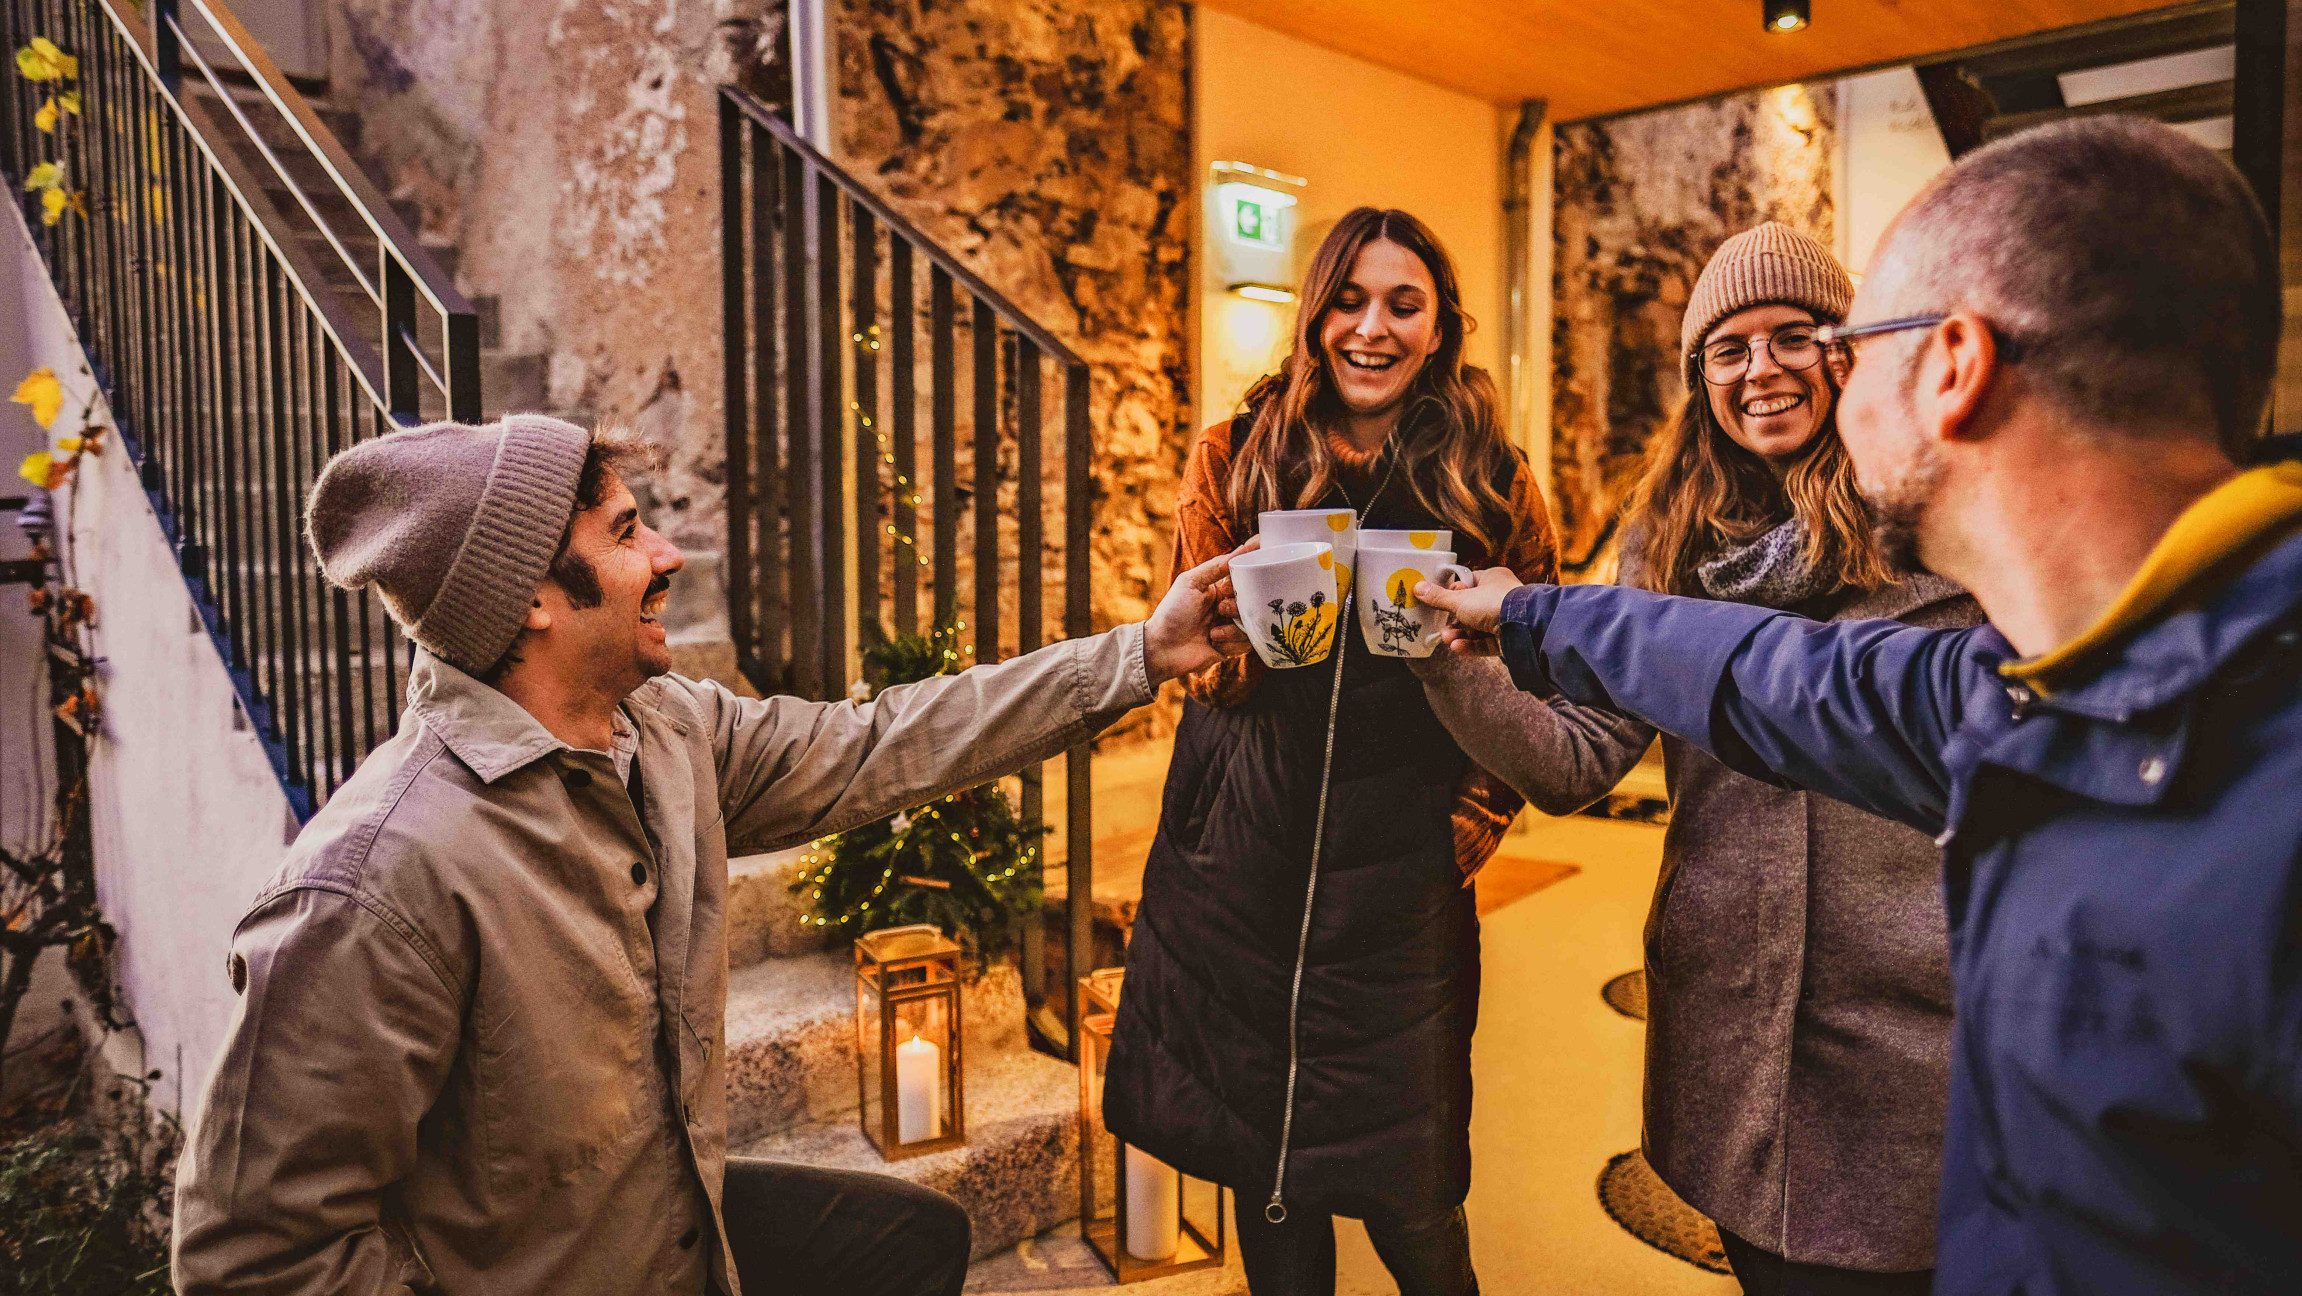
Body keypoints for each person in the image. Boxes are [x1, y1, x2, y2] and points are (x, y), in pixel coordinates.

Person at [1418, 117, 2302, 1295]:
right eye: (1727, 349)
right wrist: (1510, 626)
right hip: (1750, 1058)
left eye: (1834, 337)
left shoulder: (2195, 751)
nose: (1783, 369)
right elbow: (1776, 680)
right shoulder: (2025, 680)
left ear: (1951, 365)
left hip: (1906, 1078)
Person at [169, 414, 1248, 1296]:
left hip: (671, 1221)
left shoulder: (667, 730)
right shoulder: (377, 884)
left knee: (905, 1243)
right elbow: (254, 1256)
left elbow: (879, 743)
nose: (669, 556)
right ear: (533, 599)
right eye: (627, 532)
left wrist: (1140, 656)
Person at [1416, 222, 1972, 1295]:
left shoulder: (1933, 522)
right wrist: (1443, 663)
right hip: (1738, 1026)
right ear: (1698, 377)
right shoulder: (1668, 541)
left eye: (1792, 336)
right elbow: (1574, 761)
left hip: (1916, 1032)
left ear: (1846, 347)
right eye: (1728, 348)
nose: (1760, 368)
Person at [1103, 207, 1557, 1296]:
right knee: (1272, 1187)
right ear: (1313, 317)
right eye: (1348, 300)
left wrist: (1469, 823)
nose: (1372, 327)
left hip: (1396, 883)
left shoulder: (1491, 476)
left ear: (1441, 326)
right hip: (1241, 877)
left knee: (1415, 1199)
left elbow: (1538, 664)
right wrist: (1255, 615)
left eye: (1403, 304)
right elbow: (1197, 670)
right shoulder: (1235, 451)